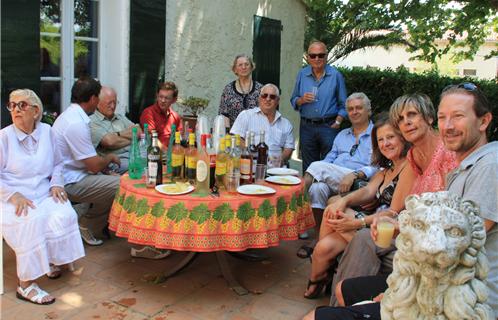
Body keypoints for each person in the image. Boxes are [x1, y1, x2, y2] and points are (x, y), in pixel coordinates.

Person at [322, 93, 459, 307]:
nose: (407, 122)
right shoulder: (414, 156)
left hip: (431, 239)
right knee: (349, 222)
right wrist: (377, 219)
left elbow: (451, 214)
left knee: (363, 238)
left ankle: (338, 306)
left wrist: (360, 222)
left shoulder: (447, 154)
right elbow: (393, 209)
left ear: (430, 118)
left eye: (412, 115)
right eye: (401, 119)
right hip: (405, 228)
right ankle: (339, 305)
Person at [53, 78, 170, 259]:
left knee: (124, 179)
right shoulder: (77, 123)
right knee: (127, 187)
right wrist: (109, 159)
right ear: (93, 99)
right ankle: (139, 246)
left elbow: (136, 131)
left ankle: (86, 223)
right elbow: (93, 165)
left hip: (76, 174)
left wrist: (106, 164)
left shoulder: (72, 116)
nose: (112, 105)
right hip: (69, 182)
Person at [304, 113, 412, 299]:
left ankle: (321, 278)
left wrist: (357, 222)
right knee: (325, 239)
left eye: (390, 137)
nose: (385, 143)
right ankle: (321, 275)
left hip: (384, 230)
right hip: (370, 224)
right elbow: (368, 191)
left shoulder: (409, 167)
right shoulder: (386, 169)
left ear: (402, 138)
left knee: (332, 216)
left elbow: (392, 212)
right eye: (381, 140)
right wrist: (343, 200)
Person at [1, 89, 85, 305]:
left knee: (64, 212)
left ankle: (51, 260)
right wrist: (13, 194)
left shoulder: (48, 132)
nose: (16, 110)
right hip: (9, 199)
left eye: (22, 105)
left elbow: (58, 163)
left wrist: (56, 183)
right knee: (31, 220)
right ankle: (25, 285)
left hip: (42, 193)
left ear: (36, 111)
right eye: (12, 105)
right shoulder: (4, 138)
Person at [297, 92, 377, 259]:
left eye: (358, 108)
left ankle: (296, 203)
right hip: (336, 178)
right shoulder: (342, 135)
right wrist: (323, 172)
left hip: (360, 182)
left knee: (315, 167)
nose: (354, 112)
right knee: (318, 187)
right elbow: (330, 159)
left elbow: (378, 166)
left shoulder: (376, 134)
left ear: (368, 111)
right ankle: (319, 238)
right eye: (350, 109)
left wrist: (355, 174)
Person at [291, 41, 348, 172]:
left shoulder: (335, 75)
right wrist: (301, 100)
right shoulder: (302, 74)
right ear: (308, 58)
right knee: (308, 168)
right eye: (313, 56)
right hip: (307, 127)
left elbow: (344, 104)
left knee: (329, 166)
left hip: (328, 126)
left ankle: (327, 193)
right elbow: (293, 100)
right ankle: (308, 193)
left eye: (320, 55)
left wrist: (338, 121)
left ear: (326, 56)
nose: (317, 59)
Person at [230, 83, 295, 163]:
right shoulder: (246, 115)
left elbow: (289, 147)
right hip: (250, 164)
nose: (268, 99)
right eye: (264, 95)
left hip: (276, 168)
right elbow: (236, 137)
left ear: (278, 101)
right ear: (259, 98)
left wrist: (281, 159)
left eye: (272, 97)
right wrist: (253, 154)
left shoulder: (286, 124)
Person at [90, 86, 139, 173]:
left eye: (115, 102)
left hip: (135, 154)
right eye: (109, 103)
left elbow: (139, 131)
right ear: (97, 103)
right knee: (144, 167)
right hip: (117, 161)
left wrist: (117, 135)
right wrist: (132, 138)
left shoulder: (120, 118)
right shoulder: (92, 121)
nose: (113, 106)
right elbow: (110, 142)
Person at [218, 54, 263, 128]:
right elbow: (224, 115)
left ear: (251, 67)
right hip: (234, 136)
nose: (244, 67)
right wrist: (228, 135)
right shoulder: (228, 89)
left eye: (247, 64)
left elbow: (265, 113)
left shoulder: (260, 89)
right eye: (240, 65)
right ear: (235, 69)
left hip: (256, 134)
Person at [140, 81, 183, 148]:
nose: (163, 100)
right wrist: (167, 153)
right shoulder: (148, 113)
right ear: (157, 96)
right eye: (161, 97)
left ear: (174, 100)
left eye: (167, 98)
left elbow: (180, 137)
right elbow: (152, 139)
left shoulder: (175, 116)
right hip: (155, 153)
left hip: (173, 153)